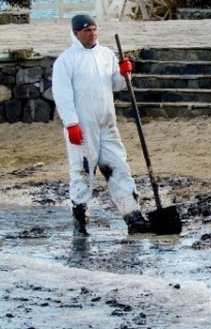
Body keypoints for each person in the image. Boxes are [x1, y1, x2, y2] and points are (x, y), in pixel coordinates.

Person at [52, 14, 151, 236]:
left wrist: (125, 73)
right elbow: (62, 95)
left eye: (94, 29)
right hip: (82, 127)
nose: (92, 34)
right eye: (87, 30)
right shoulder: (66, 61)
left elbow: (115, 85)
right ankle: (80, 222)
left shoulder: (106, 54)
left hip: (107, 123)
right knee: (83, 172)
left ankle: (133, 217)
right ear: (76, 33)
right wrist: (71, 123)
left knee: (118, 166)